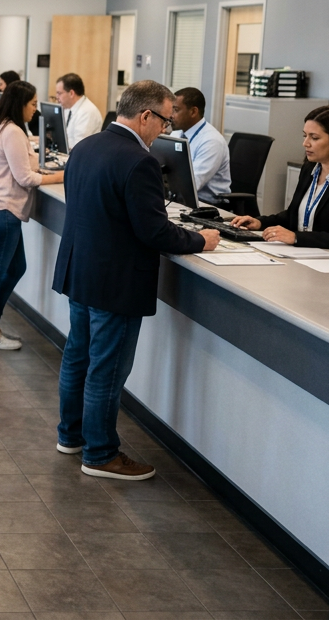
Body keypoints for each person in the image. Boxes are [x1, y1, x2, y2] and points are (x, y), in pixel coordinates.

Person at [52, 80, 220, 481]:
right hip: (116, 282)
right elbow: (155, 233)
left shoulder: (86, 147)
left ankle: (70, 436)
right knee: (106, 369)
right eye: (164, 120)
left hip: (81, 271)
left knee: (79, 356)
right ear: (145, 116)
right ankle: (100, 454)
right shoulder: (139, 161)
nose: (165, 130)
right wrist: (202, 239)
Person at [229, 104, 329, 264]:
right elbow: (293, 215)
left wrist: (296, 237)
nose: (306, 143)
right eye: (305, 136)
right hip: (306, 256)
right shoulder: (311, 168)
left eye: (314, 138)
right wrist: (260, 222)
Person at [0, 81, 64, 350]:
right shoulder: (12, 131)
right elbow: (25, 177)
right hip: (0, 212)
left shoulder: (3, 127)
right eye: (33, 104)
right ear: (20, 104)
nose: (36, 111)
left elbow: (26, 163)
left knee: (15, 268)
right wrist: (62, 176)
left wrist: (48, 165)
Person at [170, 87, 231, 205]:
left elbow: (193, 183)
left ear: (193, 112)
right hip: (181, 200)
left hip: (208, 205)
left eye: (176, 110)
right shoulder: (177, 133)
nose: (171, 115)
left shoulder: (212, 141)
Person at [56, 73, 102, 150]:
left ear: (71, 93)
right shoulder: (68, 108)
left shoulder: (87, 112)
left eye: (59, 93)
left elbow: (79, 147)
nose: (57, 97)